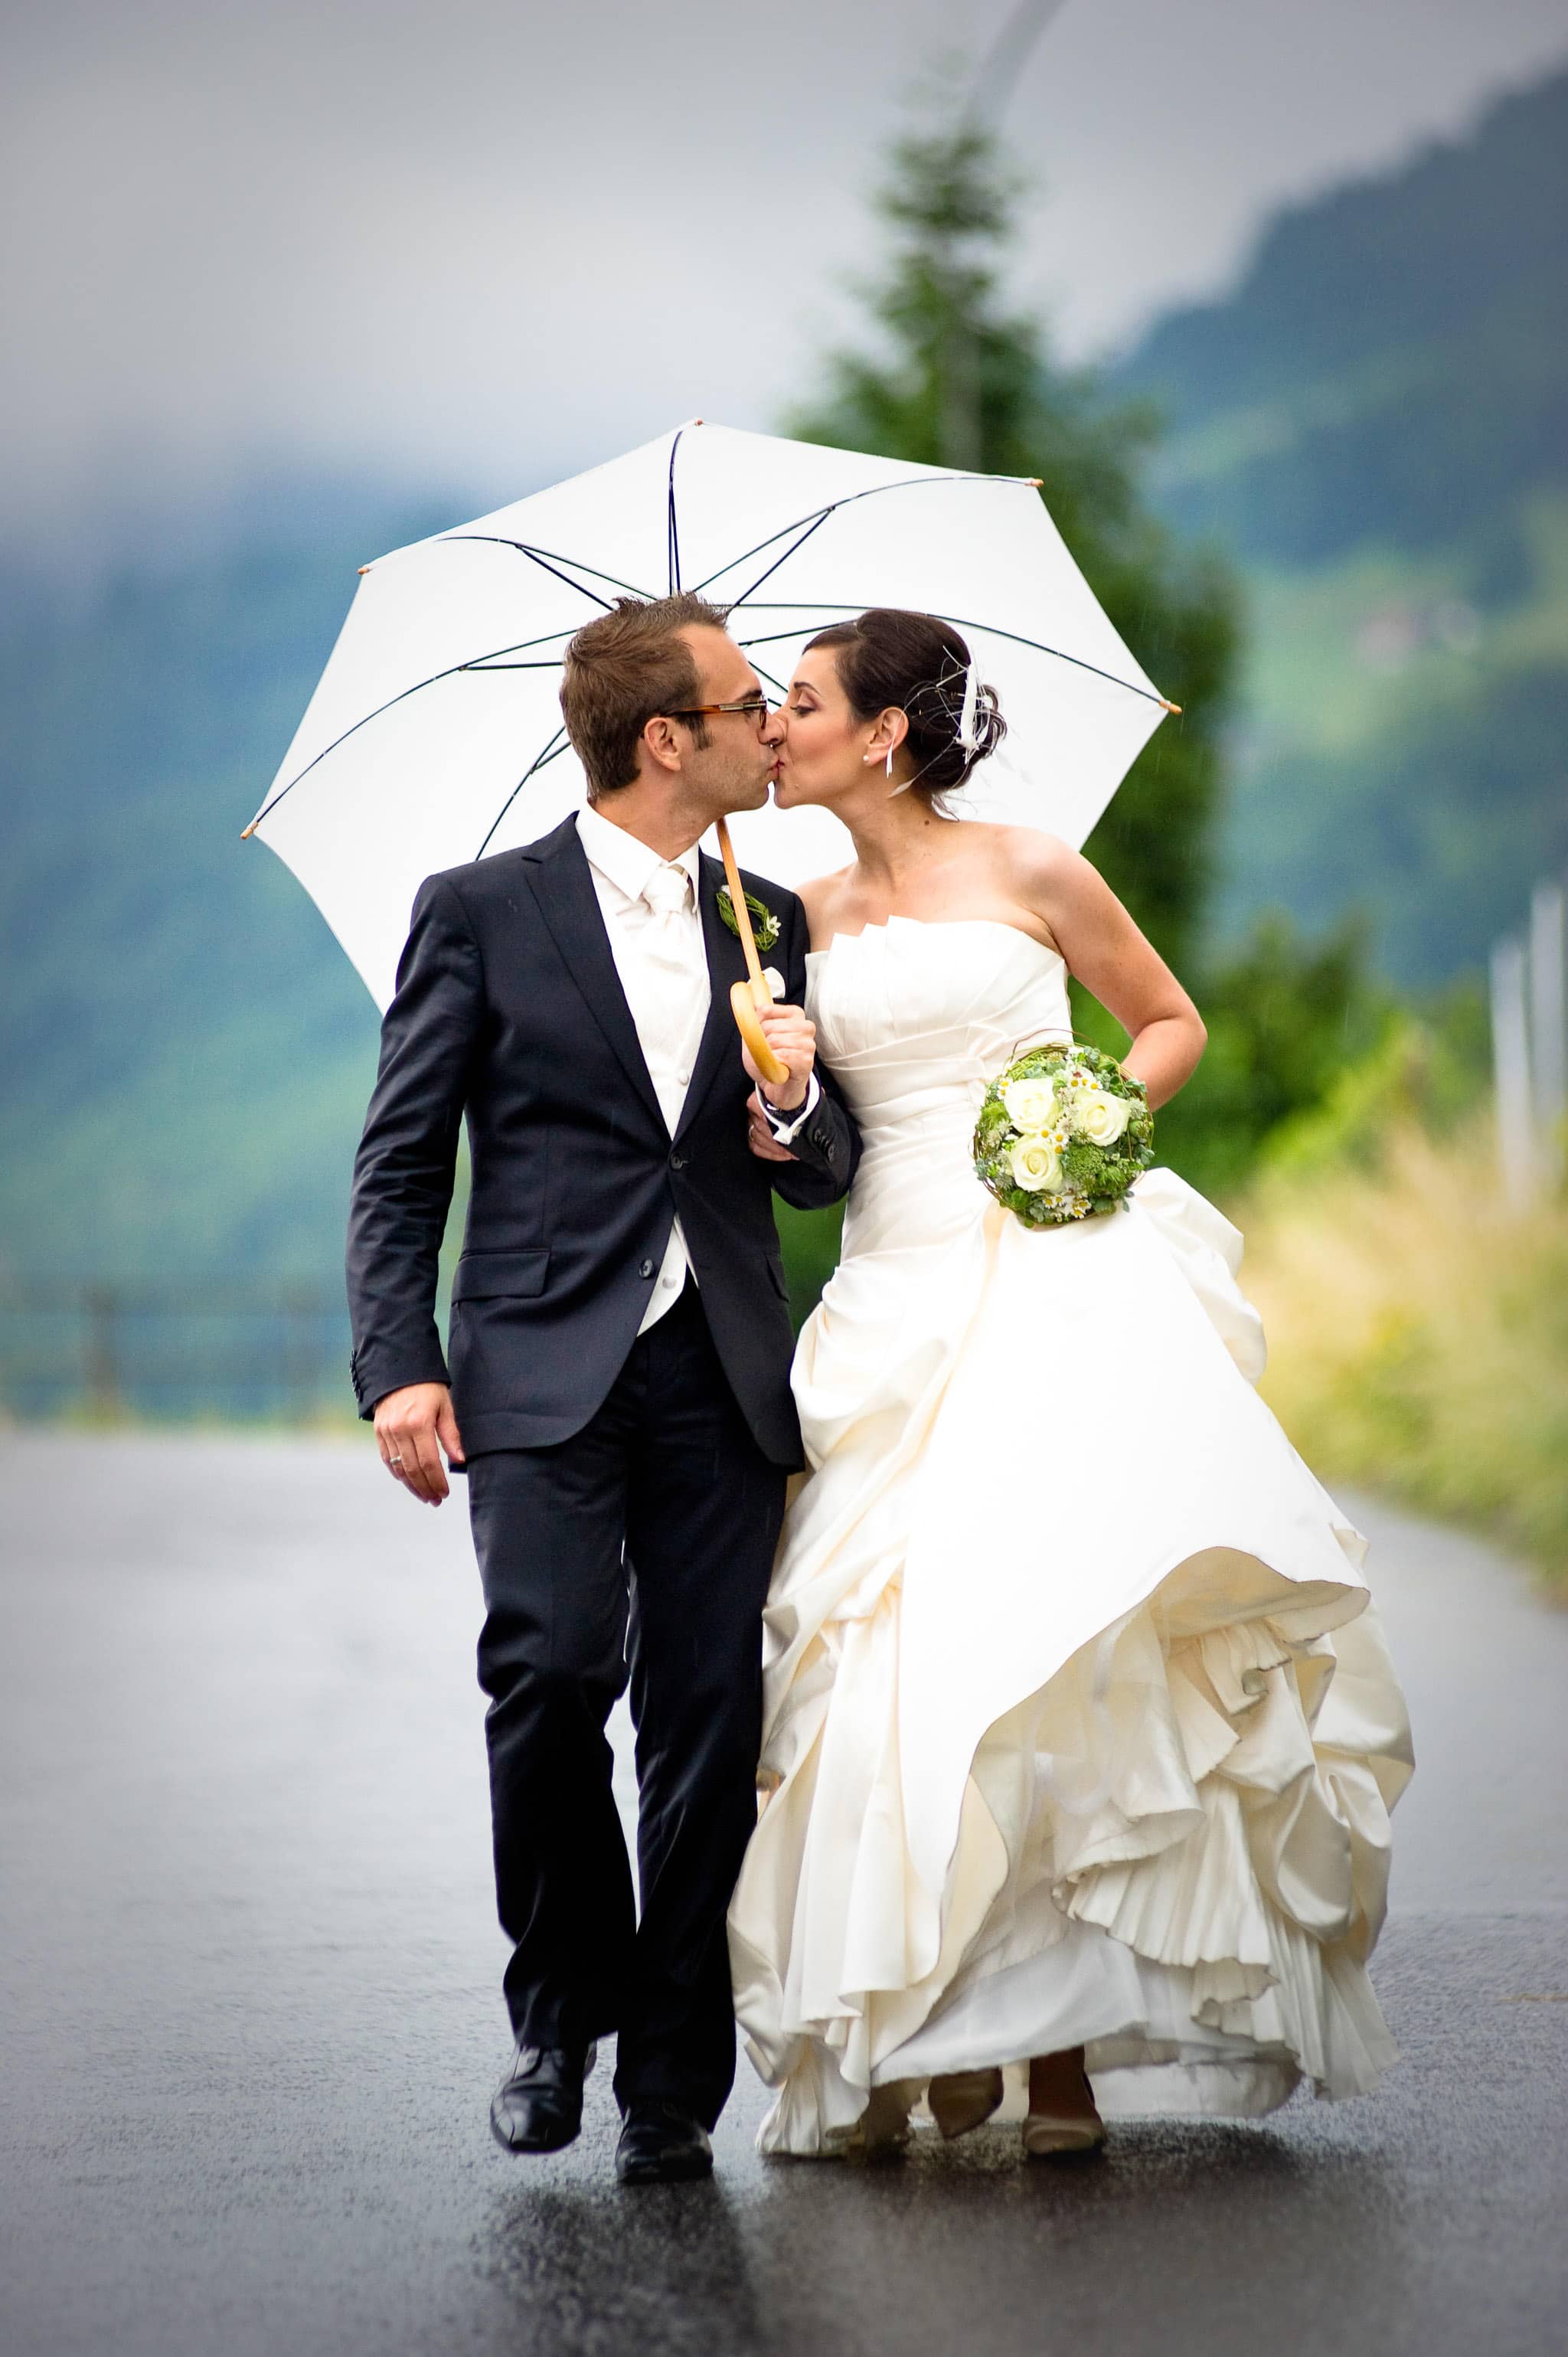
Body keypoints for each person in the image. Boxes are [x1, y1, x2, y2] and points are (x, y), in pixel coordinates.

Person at [728, 607, 1413, 2159]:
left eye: (801, 703)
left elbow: (1169, 1024)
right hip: (892, 1288)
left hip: (1057, 1274)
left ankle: (1061, 2058)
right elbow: (805, 1147)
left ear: (883, 733)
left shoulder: (1036, 868)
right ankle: (938, 2016)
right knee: (895, 1665)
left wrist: (1085, 1117)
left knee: (1062, 1644)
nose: (773, 728)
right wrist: (782, 1092)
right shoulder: (788, 921)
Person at [345, 593, 859, 2184]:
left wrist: (792, 1108)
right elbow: (401, 1161)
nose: (770, 725)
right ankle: (559, 2015)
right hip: (536, 1362)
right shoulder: (479, 910)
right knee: (551, 1673)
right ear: (664, 739)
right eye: (746, 703)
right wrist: (399, 1364)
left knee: (707, 1713)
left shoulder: (770, 918)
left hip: (720, 1365)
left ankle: (671, 2080)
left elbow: (822, 1164)